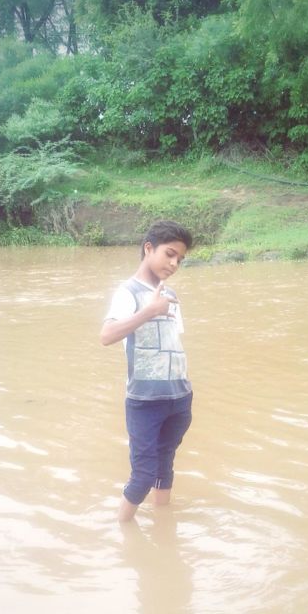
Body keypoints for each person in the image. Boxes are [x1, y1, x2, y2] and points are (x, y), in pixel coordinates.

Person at [101, 220, 194, 523]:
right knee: (142, 475)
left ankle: (163, 525)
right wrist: (150, 311)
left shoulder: (170, 294)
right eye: (169, 254)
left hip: (179, 398)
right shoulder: (127, 292)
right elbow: (107, 336)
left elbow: (173, 344)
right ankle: (122, 530)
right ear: (149, 248)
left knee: (165, 465)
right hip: (144, 401)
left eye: (180, 259)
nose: (174, 263)